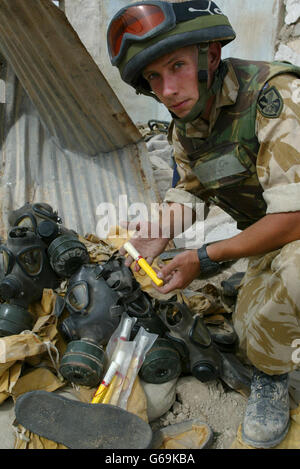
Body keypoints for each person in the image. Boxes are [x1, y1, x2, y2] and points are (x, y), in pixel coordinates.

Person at [107, 0, 300, 448]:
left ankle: (271, 377)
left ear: (209, 57)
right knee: (251, 325)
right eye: (154, 77)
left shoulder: (276, 96)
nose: (168, 89)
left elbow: (292, 219)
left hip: (291, 230)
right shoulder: (186, 123)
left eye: (176, 66)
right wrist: (156, 234)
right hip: (265, 236)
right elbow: (191, 189)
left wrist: (205, 256)